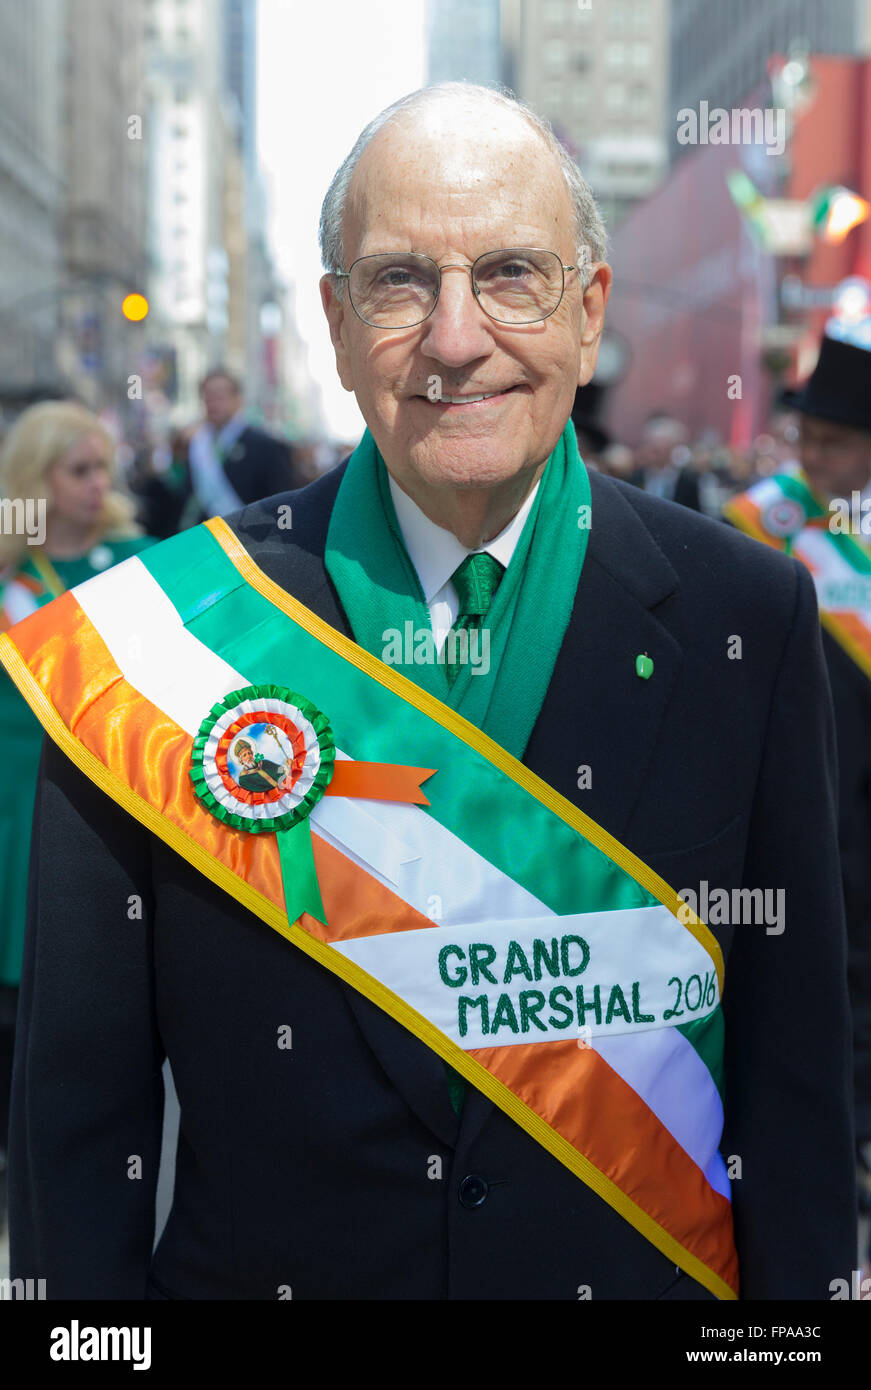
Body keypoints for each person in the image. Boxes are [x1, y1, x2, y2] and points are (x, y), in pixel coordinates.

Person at [2, 84, 855, 1301]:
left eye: (512, 274)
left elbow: (794, 1092)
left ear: (589, 312)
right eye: (401, 282)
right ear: (337, 325)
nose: (457, 338)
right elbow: (78, 1132)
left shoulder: (747, 616)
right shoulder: (157, 646)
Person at [724, 330, 871, 1259]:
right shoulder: (772, 532)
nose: (809, 459)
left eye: (832, 443)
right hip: (824, 801)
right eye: (805, 439)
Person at [0, 400, 156, 1199]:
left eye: (104, 468)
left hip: (109, 811)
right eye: (79, 470)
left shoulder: (145, 563)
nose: (100, 486)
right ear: (35, 480)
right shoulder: (9, 574)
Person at [158, 369, 305, 531]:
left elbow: (281, 499)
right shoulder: (194, 444)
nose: (213, 403)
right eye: (208, 397)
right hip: (205, 540)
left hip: (251, 541)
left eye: (220, 396)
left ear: (237, 399)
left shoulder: (266, 445)